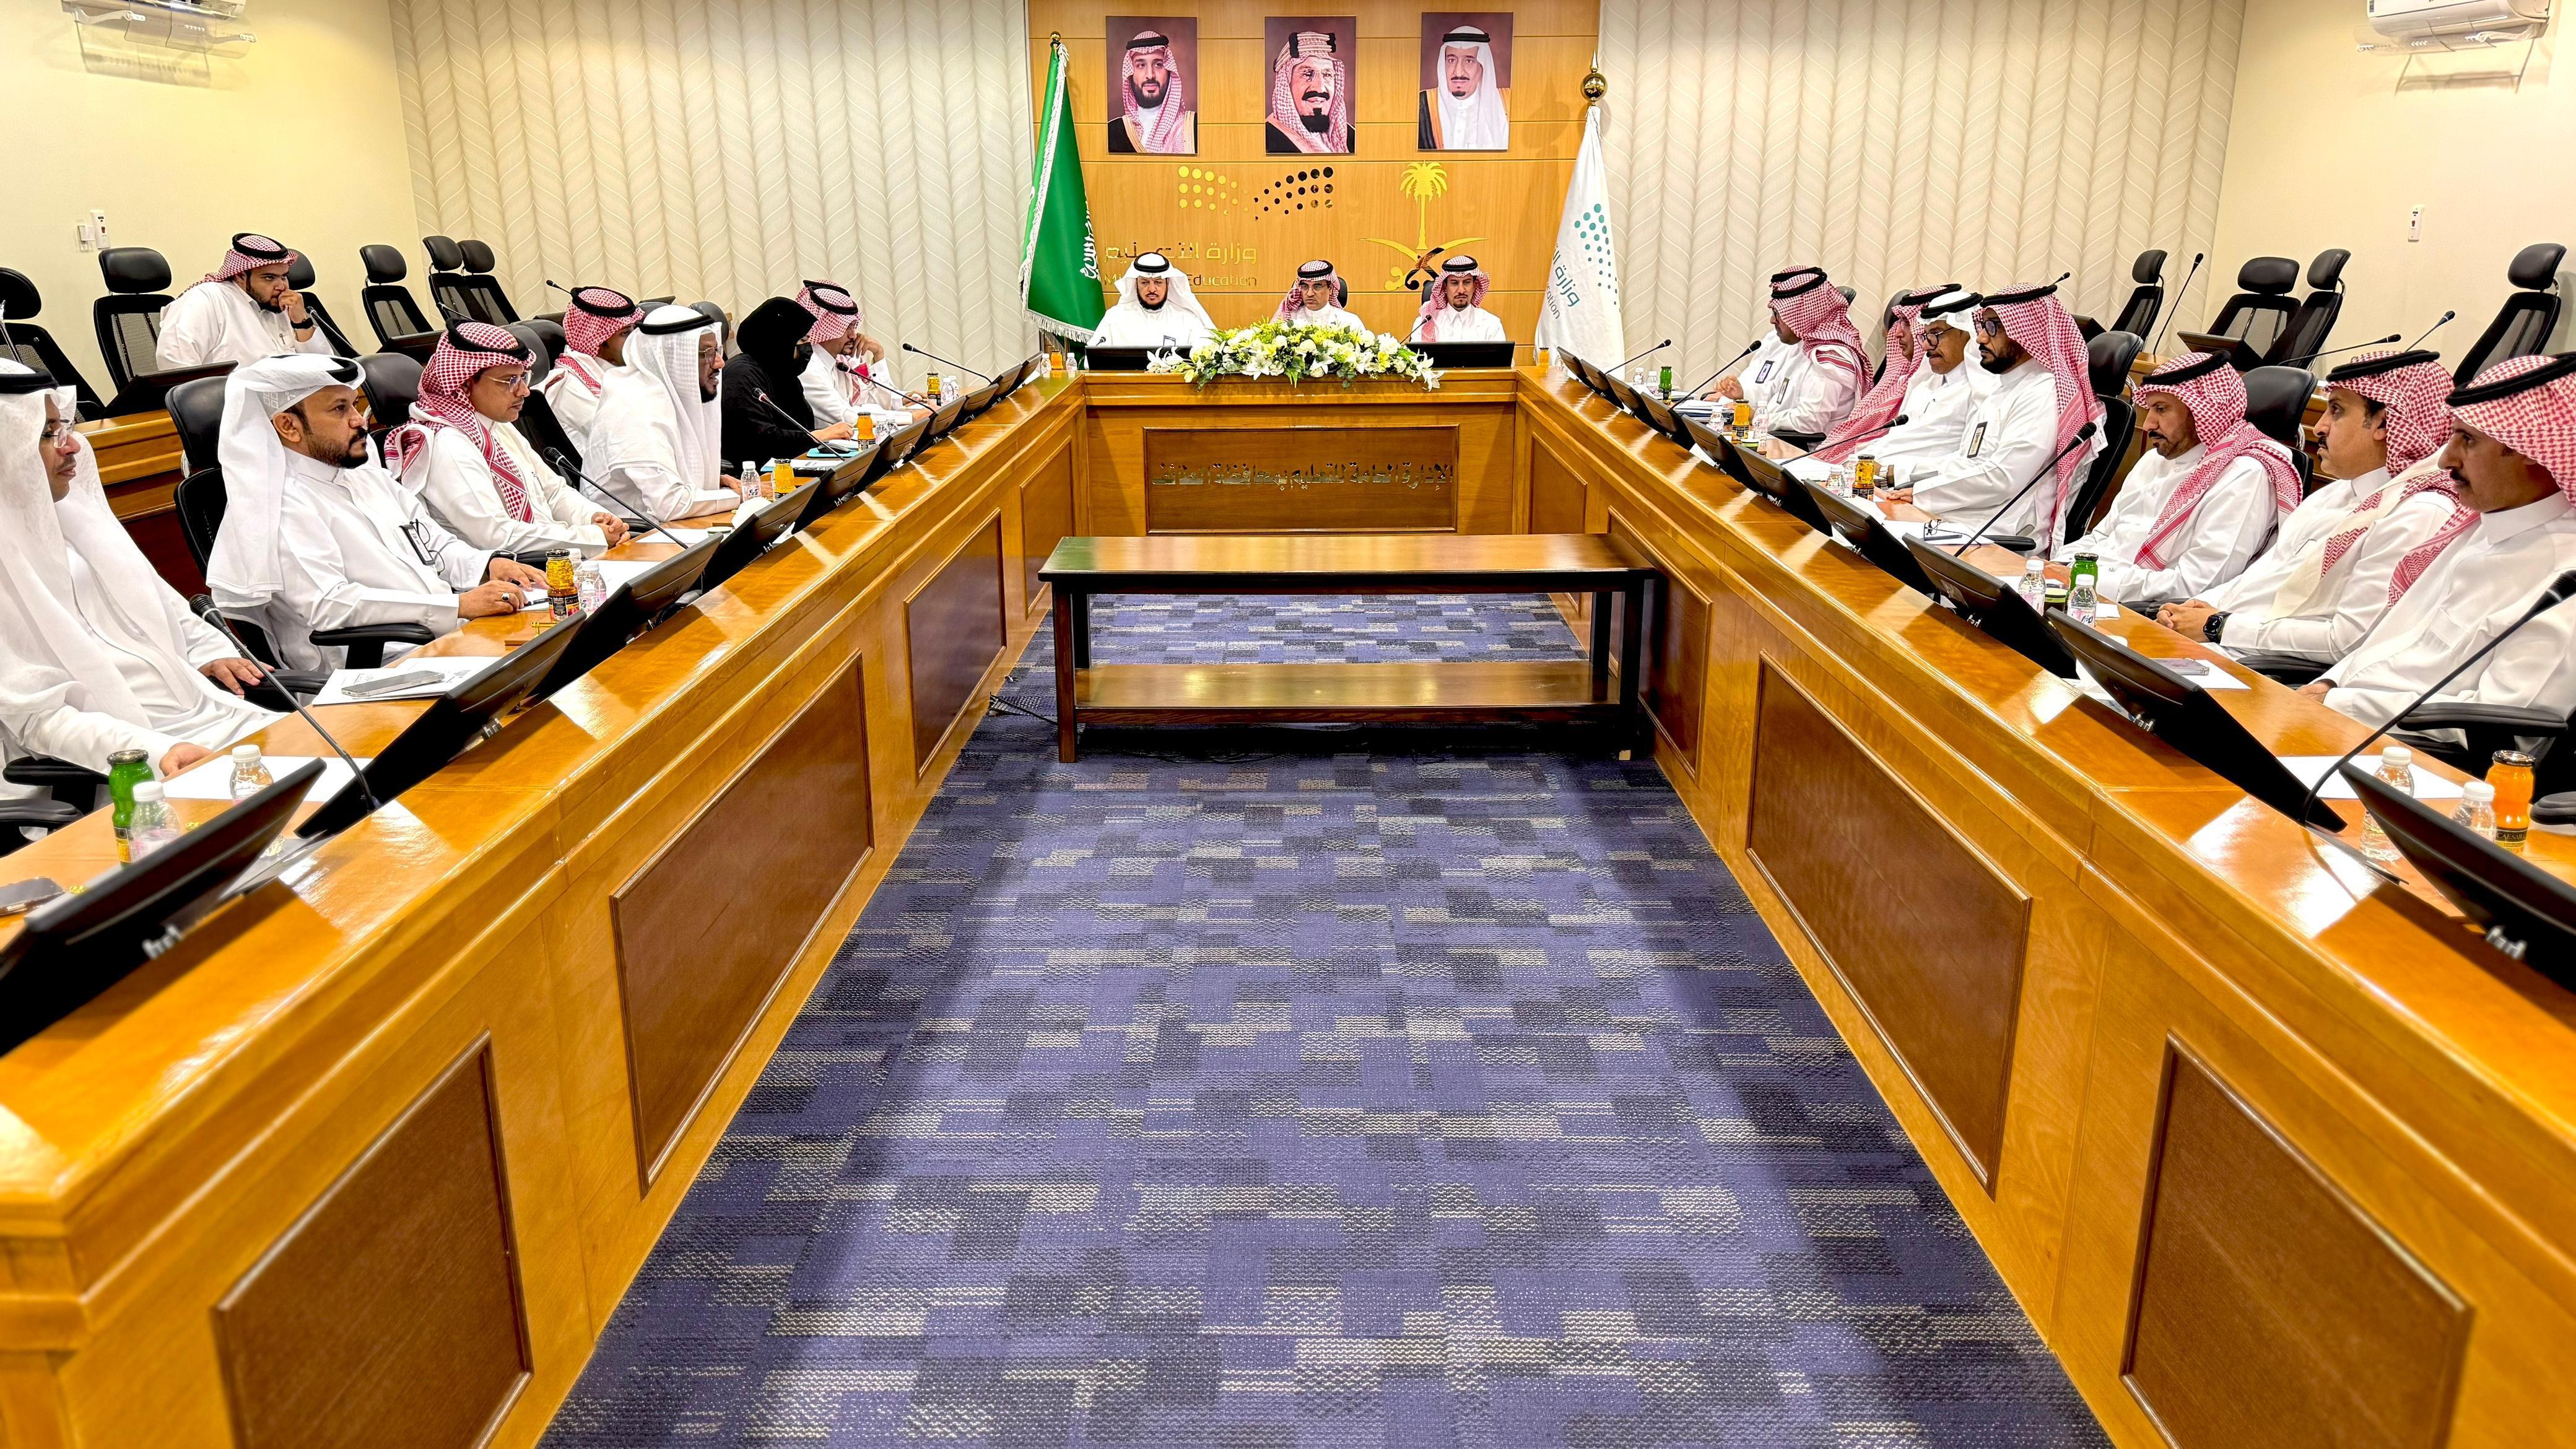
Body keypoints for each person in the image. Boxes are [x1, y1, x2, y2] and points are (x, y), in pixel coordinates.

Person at [0, 361, 272, 784]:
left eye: (64, 427)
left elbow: (163, 600)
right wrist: (159, 752)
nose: (72, 447)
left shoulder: (75, 512)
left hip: (214, 714)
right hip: (129, 762)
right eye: (47, 434)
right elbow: (37, 720)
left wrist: (209, 650)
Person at [207, 354, 546, 671]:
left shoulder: (367, 477)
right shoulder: (280, 506)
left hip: (447, 637)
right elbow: (331, 605)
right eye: (339, 409)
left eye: (355, 405)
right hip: (378, 667)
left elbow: (434, 544)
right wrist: (457, 606)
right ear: (289, 426)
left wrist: (487, 565)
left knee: (558, 636)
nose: (359, 420)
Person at [2301, 353, 2576, 734]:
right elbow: (2390, 638)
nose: (2445, 460)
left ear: (2530, 448)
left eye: (2468, 440)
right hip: (2339, 715)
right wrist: (2328, 685)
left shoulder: (2565, 580)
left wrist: (2339, 703)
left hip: (2405, 751)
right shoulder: (2476, 524)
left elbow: (2502, 724)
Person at [2157, 349, 2465, 663]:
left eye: (2336, 411)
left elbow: (2347, 641)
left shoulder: (2418, 512)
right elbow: (2259, 578)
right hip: (2217, 643)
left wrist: (2219, 626)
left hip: (2260, 667)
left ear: (2384, 423)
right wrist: (2193, 608)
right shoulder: (2335, 492)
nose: (2319, 427)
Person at [2056, 350, 2298, 604]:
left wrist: (2088, 578)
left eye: (2161, 409)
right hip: (2090, 589)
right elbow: (2103, 536)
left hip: (2143, 610)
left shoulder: (2244, 475)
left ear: (2203, 410)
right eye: (2150, 409)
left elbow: (2196, 585)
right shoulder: (2154, 459)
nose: (2148, 425)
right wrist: (2060, 564)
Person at [389, 321, 630, 557]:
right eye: (509, 381)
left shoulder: (495, 424)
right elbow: (497, 537)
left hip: (555, 556)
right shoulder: (446, 445)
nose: (524, 391)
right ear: (465, 384)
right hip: (514, 572)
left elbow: (553, 492)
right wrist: (592, 537)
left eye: (523, 378)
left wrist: (596, 518)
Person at [1899, 279, 2104, 542]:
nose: (1981, 338)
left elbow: (2003, 478)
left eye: (1993, 328)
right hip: (1965, 514)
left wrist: (1923, 494)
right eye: (1983, 327)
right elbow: (1968, 461)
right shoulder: (2000, 389)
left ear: (2026, 331)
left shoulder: (2044, 393)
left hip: (2001, 529)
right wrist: (1908, 479)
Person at [1793, 286, 1988, 476]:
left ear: (1968, 334)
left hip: (1909, 487)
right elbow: (1894, 440)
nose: (1927, 346)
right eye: (1925, 336)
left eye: (1936, 335)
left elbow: (1967, 465)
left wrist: (1890, 473)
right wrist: (1856, 463)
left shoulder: (1979, 396)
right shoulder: (1923, 387)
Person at [581, 305, 740, 521]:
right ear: (674, 358)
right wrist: (737, 496)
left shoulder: (669, 395)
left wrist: (716, 482)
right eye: (708, 354)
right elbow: (669, 504)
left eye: (717, 351)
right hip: (637, 533)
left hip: (676, 525)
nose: (720, 363)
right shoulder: (634, 410)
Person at [1707, 269, 1865, 441]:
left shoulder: (1827, 360)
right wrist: (1742, 395)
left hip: (1807, 449)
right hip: (1775, 437)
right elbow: (1774, 393)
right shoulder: (1802, 348)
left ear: (1804, 316)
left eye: (1778, 314)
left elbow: (1810, 423)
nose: (1772, 320)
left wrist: (1755, 417)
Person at [155, 233, 333, 370]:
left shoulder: (283, 305)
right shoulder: (206, 300)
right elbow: (177, 366)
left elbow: (328, 370)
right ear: (241, 276)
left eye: (284, 277)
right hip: (233, 404)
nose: (281, 286)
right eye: (269, 278)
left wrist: (302, 323)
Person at [722, 297, 856, 470]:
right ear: (780, 341)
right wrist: (818, 436)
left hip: (792, 465)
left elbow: (801, 425)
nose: (807, 348)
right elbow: (762, 439)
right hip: (753, 474)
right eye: (802, 341)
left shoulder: (781, 372)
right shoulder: (741, 374)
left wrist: (817, 438)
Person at [539, 285, 643, 456]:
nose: (635, 340)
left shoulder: (625, 370)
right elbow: (625, 436)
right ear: (598, 339)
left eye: (634, 331)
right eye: (625, 334)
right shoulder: (569, 385)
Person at [793, 281, 898, 430]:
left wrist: (878, 354)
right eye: (846, 327)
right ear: (826, 328)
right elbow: (848, 417)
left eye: (853, 326)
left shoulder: (842, 362)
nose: (853, 335)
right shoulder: (809, 367)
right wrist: (908, 417)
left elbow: (878, 402)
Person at [1092, 253, 1218, 350]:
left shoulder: (1188, 319)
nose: (1152, 289)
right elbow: (1092, 360)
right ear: (1135, 284)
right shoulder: (1115, 317)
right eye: (1145, 282)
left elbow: (1206, 355)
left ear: (1168, 283)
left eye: (1158, 282)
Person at [1417, 25, 1508, 150]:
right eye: (1452, 60)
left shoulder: (1506, 105)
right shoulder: (1422, 105)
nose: (1458, 72)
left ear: (1483, 66)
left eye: (1469, 61)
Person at [1107, 30, 1196, 154]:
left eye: (1158, 65)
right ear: (1130, 73)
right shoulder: (1113, 132)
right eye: (1141, 65)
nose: (1150, 75)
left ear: (1169, 71)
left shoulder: (1195, 128)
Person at [1266, 30, 1351, 155]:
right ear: (1286, 84)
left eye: (1327, 75)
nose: (1320, 88)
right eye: (1307, 74)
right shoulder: (1268, 139)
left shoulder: (1352, 137)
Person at [1410, 255, 1505, 343]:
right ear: (1445, 287)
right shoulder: (1424, 323)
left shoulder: (1491, 324)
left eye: (1467, 282)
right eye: (1455, 283)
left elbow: (1502, 356)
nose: (1461, 290)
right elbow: (1414, 355)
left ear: (1475, 286)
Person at [1276, 260, 1367, 331]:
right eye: (1305, 286)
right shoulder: (1287, 321)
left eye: (1317, 287)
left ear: (1330, 289)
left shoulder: (1349, 322)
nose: (1310, 294)